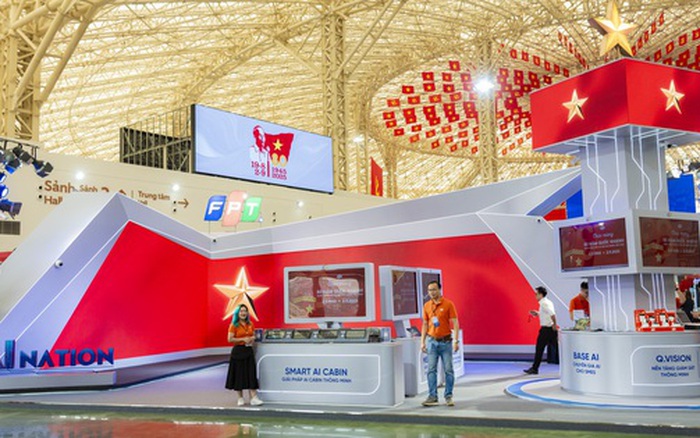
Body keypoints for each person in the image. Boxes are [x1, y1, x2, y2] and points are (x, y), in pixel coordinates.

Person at [420, 280, 459, 407]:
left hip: (446, 342)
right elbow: (425, 324)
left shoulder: (448, 304)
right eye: (429, 290)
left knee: (448, 370)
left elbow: (455, 323)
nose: (431, 292)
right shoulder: (427, 306)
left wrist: (456, 341)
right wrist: (422, 342)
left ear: (439, 290)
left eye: (434, 289)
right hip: (432, 342)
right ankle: (432, 396)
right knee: (431, 370)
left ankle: (448, 396)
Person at [225, 304, 263, 406]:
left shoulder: (250, 324)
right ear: (238, 313)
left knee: (251, 374)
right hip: (238, 352)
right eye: (241, 311)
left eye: (245, 311)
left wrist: (252, 338)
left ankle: (254, 398)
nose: (243, 313)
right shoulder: (234, 325)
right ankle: (240, 398)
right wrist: (243, 339)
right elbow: (230, 339)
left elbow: (254, 335)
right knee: (239, 375)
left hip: (248, 351)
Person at [524, 286, 558, 375]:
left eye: (536, 294)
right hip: (549, 329)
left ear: (541, 294)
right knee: (556, 349)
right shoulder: (547, 302)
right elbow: (547, 314)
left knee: (539, 349)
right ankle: (535, 368)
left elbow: (552, 314)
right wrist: (538, 313)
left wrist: (555, 324)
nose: (535, 295)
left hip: (546, 330)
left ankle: (535, 368)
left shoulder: (544, 303)